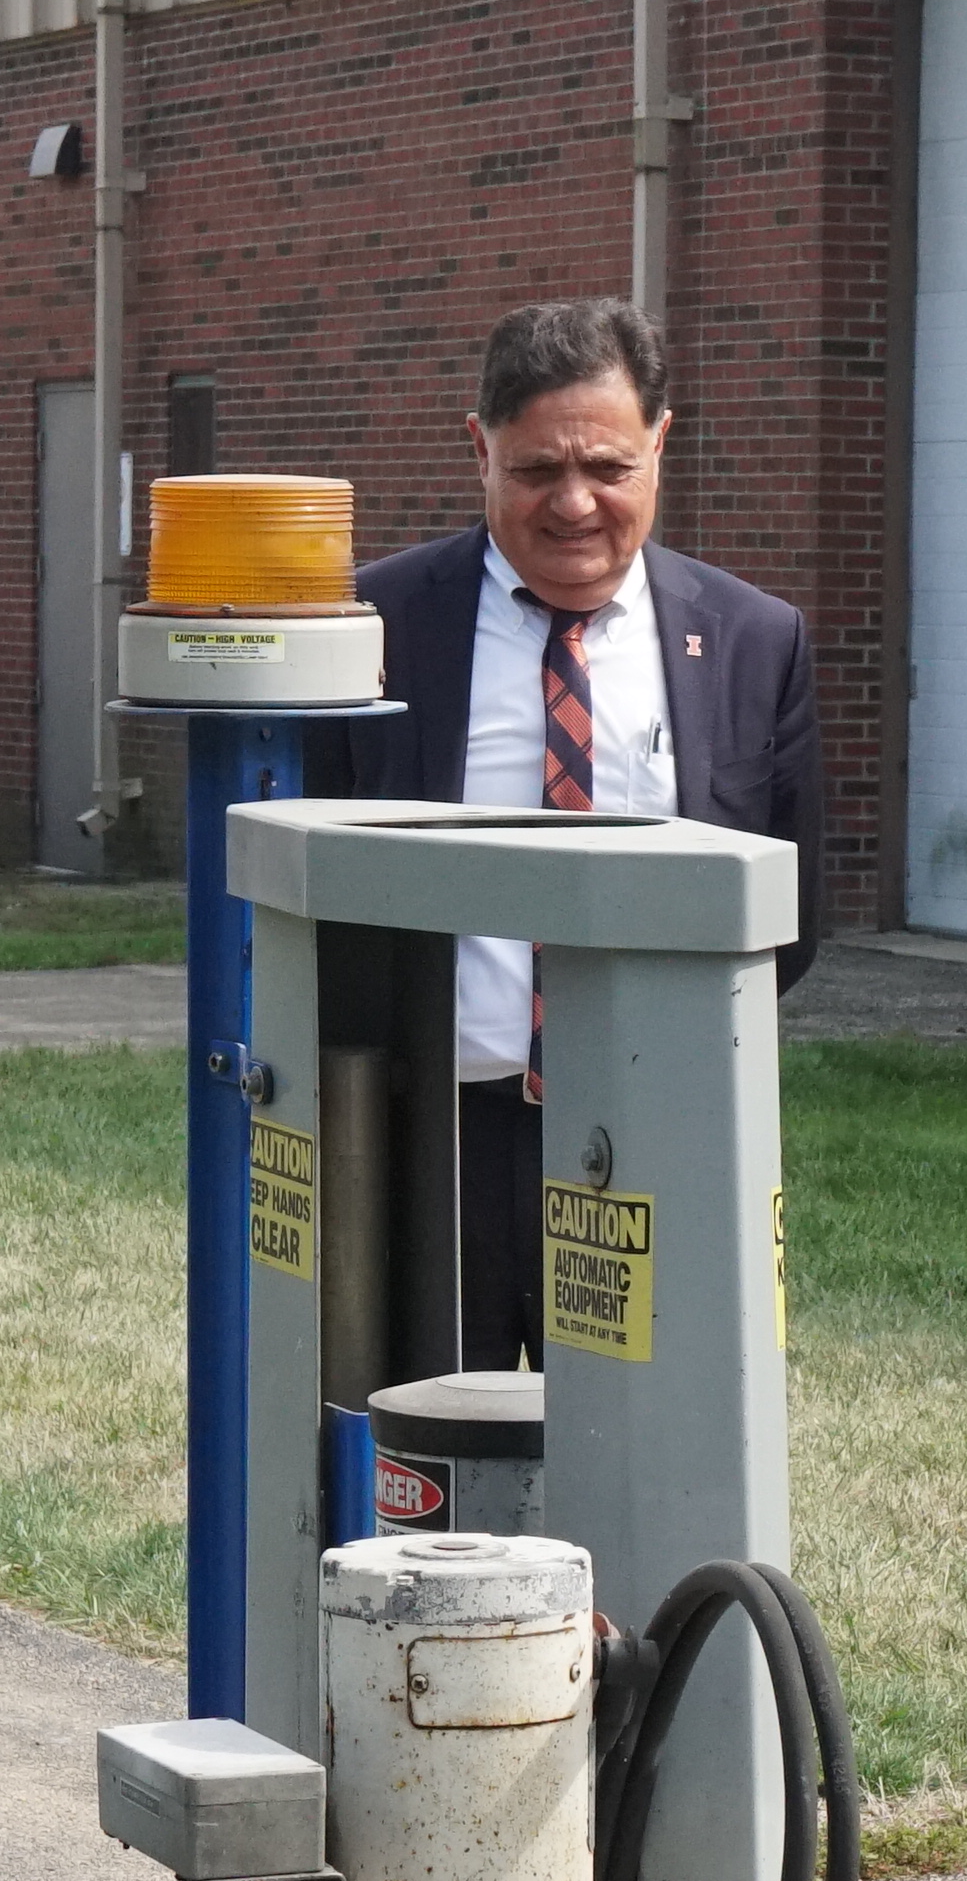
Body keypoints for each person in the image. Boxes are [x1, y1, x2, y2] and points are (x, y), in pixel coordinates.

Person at [352, 297, 823, 1362]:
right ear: (478, 448)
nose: (574, 504)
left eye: (608, 468)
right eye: (534, 472)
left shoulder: (754, 642)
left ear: (661, 441)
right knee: (434, 1470)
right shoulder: (376, 628)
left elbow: (788, 922)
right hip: (435, 1147)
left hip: (652, 1133)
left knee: (639, 1472)